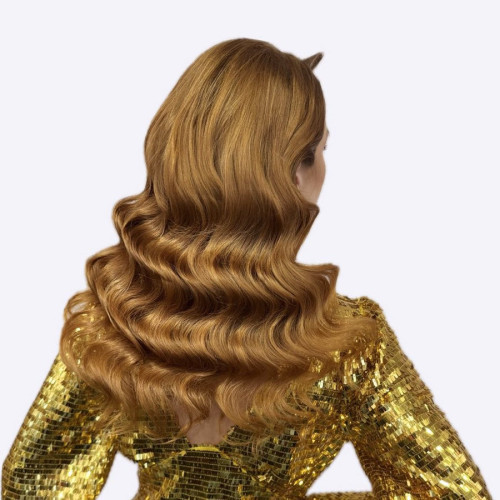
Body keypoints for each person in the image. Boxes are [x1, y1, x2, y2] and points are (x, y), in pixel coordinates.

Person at [1, 38, 492, 500]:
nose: (325, 169)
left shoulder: (109, 326)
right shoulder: (351, 344)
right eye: (322, 150)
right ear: (291, 175)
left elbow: (30, 487)